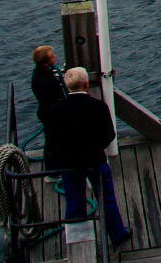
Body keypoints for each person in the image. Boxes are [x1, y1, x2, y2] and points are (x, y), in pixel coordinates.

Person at [44, 67, 131, 245]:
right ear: (86, 84)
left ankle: (78, 239)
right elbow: (109, 135)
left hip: (69, 163)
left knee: (74, 199)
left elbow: (51, 140)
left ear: (68, 87)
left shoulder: (55, 110)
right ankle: (117, 234)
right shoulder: (98, 107)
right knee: (106, 198)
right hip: (95, 161)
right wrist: (96, 147)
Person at [32, 45, 66, 124]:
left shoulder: (38, 72)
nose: (55, 56)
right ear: (45, 64)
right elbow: (50, 100)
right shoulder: (45, 80)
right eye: (52, 57)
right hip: (52, 116)